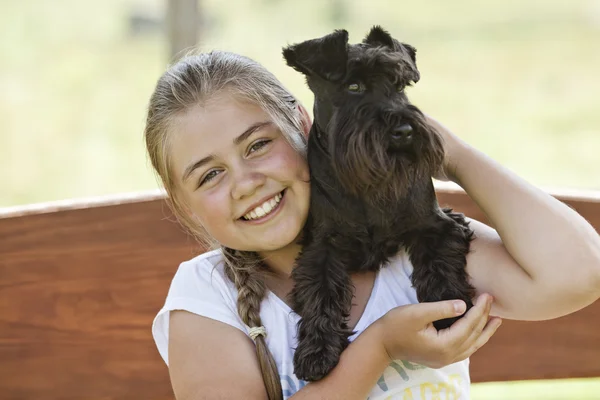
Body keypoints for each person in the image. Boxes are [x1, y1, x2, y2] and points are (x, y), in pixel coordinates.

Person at [147, 50, 600, 400]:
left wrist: (452, 154)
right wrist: (380, 347)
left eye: (258, 145)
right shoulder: (207, 296)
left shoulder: (410, 245)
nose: (246, 183)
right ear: (183, 206)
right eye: (210, 175)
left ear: (305, 124)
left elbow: (579, 273)